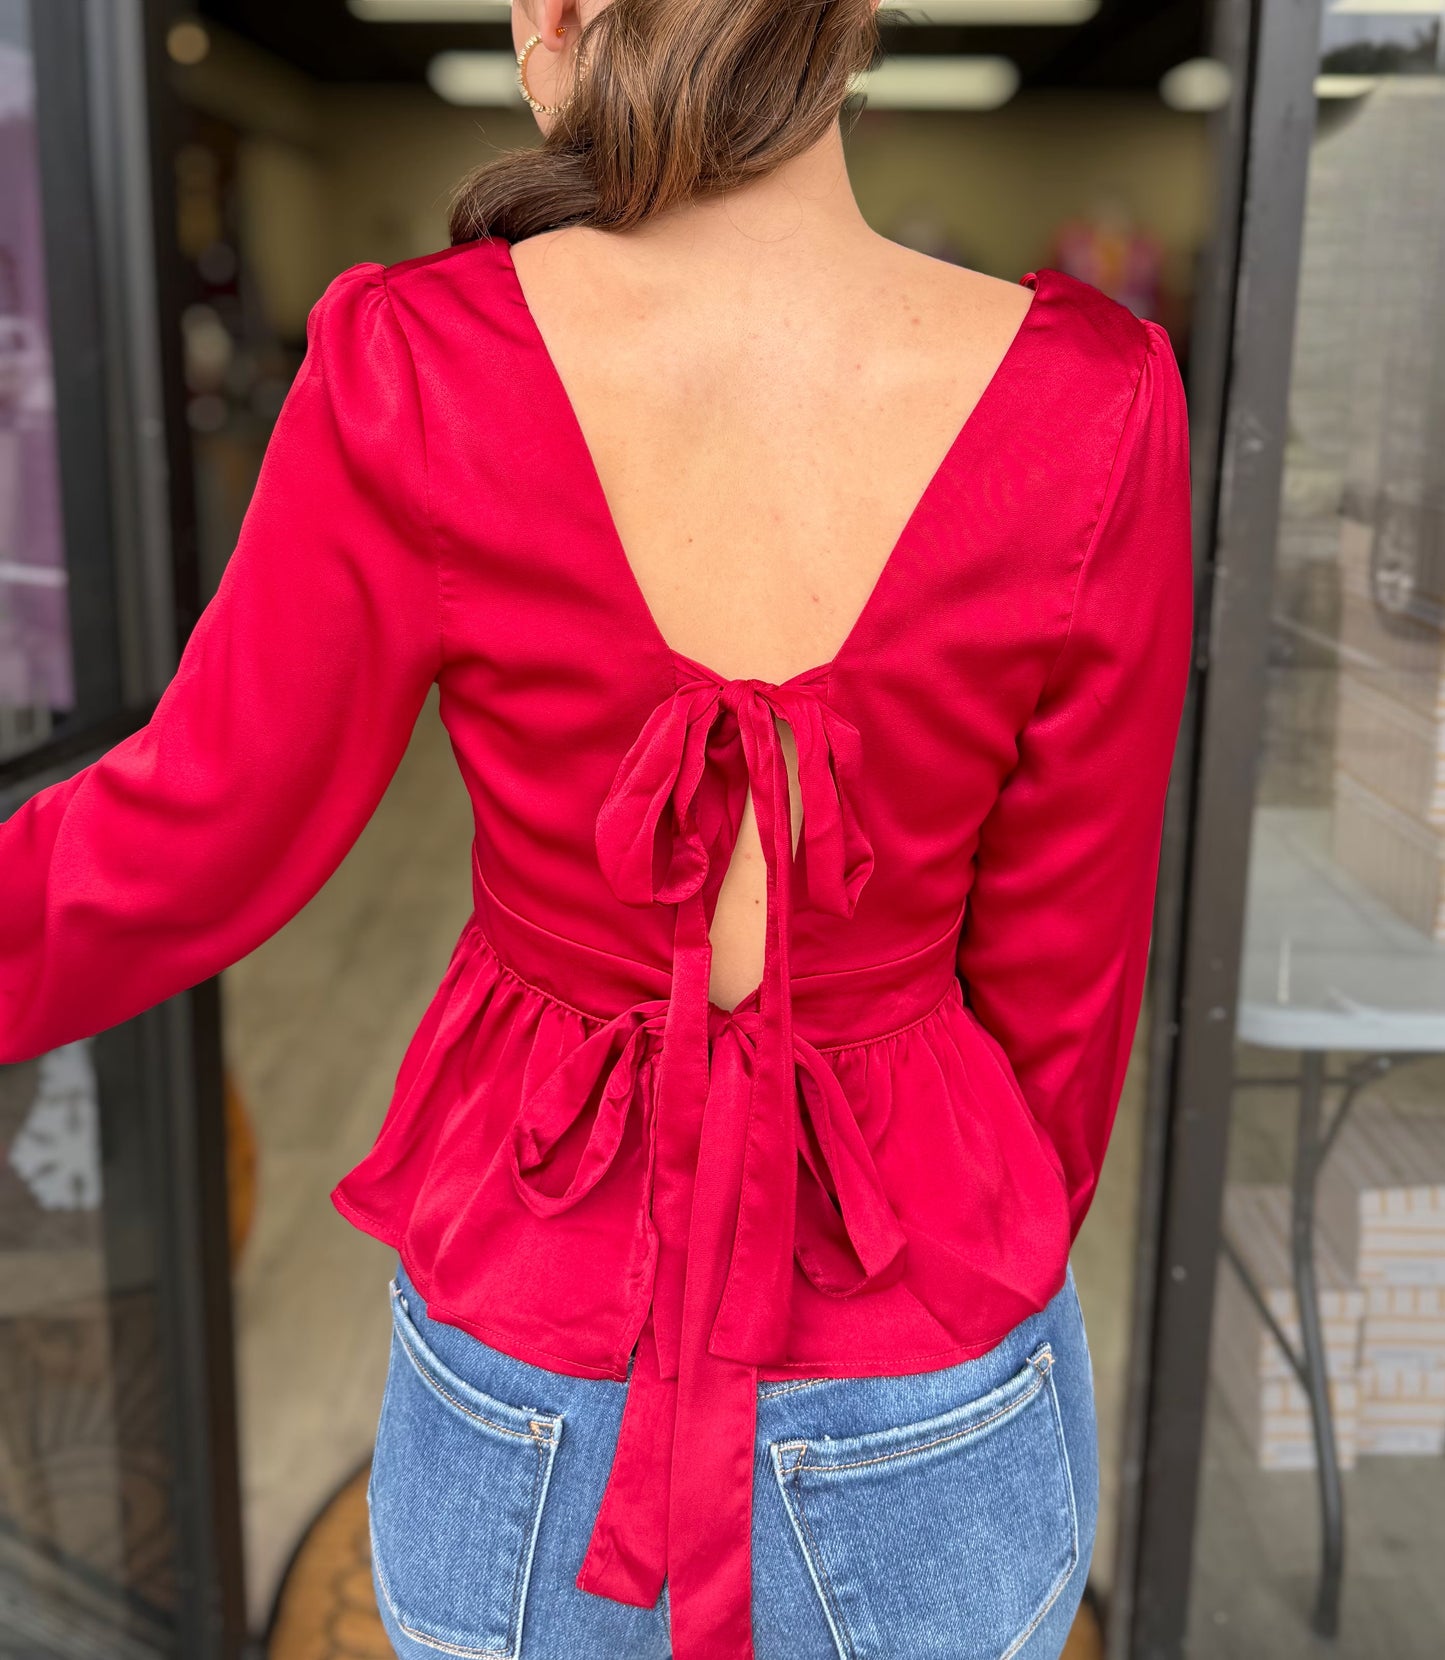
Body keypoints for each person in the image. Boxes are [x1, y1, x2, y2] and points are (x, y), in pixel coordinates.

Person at [0, 0, 1194, 1655]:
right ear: (856, 27)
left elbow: (185, 836)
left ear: (553, 21)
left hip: (540, 1291)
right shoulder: (1099, 394)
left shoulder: (415, 354)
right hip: (924, 1308)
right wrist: (963, 1231)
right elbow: (1068, 971)